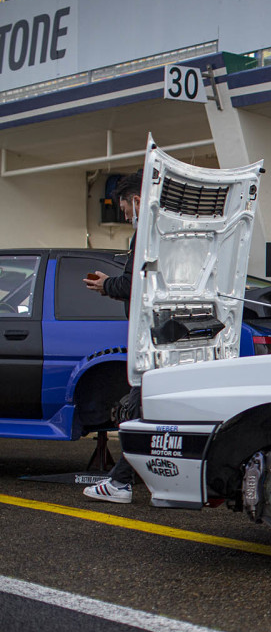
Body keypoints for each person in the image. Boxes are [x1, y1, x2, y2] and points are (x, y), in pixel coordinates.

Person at [81, 171, 142, 503]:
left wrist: (106, 285)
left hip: (148, 339)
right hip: (166, 337)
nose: (125, 215)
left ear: (136, 201)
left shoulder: (145, 234)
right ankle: (127, 478)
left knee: (137, 409)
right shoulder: (174, 233)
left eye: (124, 208)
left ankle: (120, 483)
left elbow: (134, 285)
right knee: (145, 408)